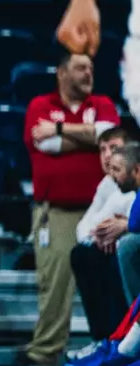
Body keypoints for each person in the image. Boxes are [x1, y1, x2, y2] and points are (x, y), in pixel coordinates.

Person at [22, 49, 120, 365]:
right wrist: (91, 138)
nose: (88, 73)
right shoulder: (40, 105)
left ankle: (116, 351)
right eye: (80, 68)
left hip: (107, 209)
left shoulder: (102, 104)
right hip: (58, 212)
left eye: (91, 67)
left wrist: (62, 131)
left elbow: (113, 139)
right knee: (56, 287)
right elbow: (43, 143)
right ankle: (46, 353)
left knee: (111, 283)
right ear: (62, 73)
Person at [68, 141, 140, 344]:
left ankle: (132, 334)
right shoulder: (115, 188)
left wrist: (125, 226)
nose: (112, 174)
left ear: (136, 169)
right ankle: (109, 340)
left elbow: (134, 221)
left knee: (128, 246)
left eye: (117, 169)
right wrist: (105, 233)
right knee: (86, 255)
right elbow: (89, 226)